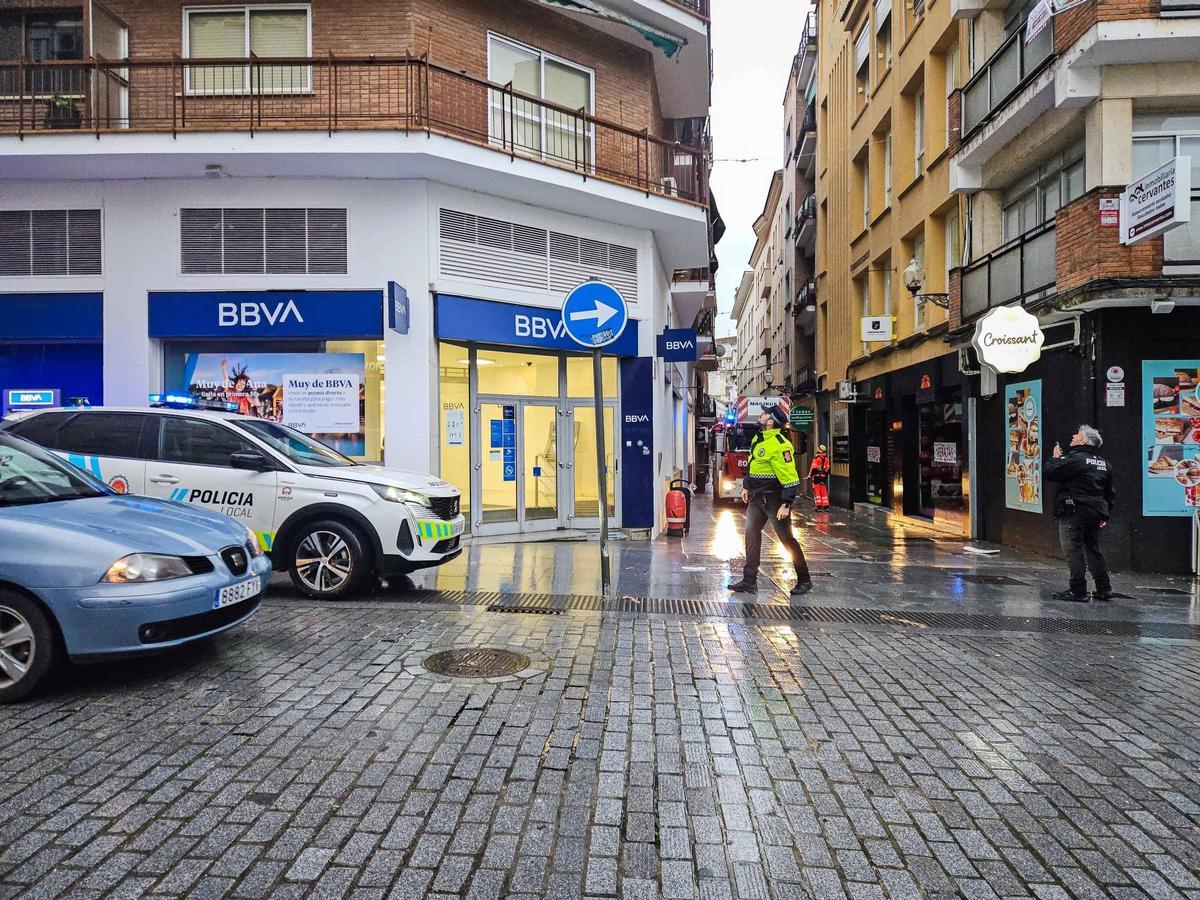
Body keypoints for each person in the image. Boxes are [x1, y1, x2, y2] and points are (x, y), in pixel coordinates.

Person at [729, 404, 813, 596]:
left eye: (765, 413)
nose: (761, 414)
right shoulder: (759, 438)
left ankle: (805, 580)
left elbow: (790, 475)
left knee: (787, 540)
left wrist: (786, 503)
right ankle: (749, 581)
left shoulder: (780, 444)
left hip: (775, 499)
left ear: (770, 421)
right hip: (757, 498)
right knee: (751, 535)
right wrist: (747, 486)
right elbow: (754, 465)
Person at [1045, 424, 1115, 602]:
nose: (1073, 437)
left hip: (1073, 510)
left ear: (1083, 440)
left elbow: (1051, 473)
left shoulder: (1075, 459)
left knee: (1073, 550)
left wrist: (1055, 458)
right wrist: (1105, 514)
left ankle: (1077, 590)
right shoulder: (1104, 464)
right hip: (1096, 512)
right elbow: (1109, 493)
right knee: (1092, 549)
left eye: (1077, 435)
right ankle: (1104, 588)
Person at [808, 443, 831, 508]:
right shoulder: (826, 459)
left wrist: (810, 475)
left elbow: (813, 468)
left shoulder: (816, 458)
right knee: (824, 491)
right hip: (823, 477)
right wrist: (825, 475)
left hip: (816, 477)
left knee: (817, 491)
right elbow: (828, 468)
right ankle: (826, 505)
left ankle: (818, 506)